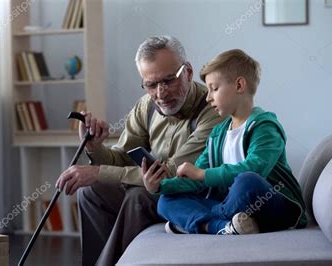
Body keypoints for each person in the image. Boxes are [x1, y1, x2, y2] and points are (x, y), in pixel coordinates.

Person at [55, 35, 223, 265]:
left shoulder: (212, 111)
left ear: (188, 72)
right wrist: (95, 146)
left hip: (192, 195)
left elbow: (173, 173)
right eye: (151, 85)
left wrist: (98, 171)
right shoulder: (146, 106)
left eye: (168, 80)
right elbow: (122, 158)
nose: (161, 93)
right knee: (90, 191)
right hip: (152, 188)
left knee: (138, 196)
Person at [157, 49, 307, 235]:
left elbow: (255, 168)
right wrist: (160, 185)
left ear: (239, 85)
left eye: (214, 88)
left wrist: (202, 174)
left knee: (247, 180)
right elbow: (196, 181)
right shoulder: (218, 134)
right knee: (166, 200)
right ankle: (224, 227)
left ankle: (199, 223)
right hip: (235, 208)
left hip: (274, 207)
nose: (208, 97)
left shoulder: (265, 127)